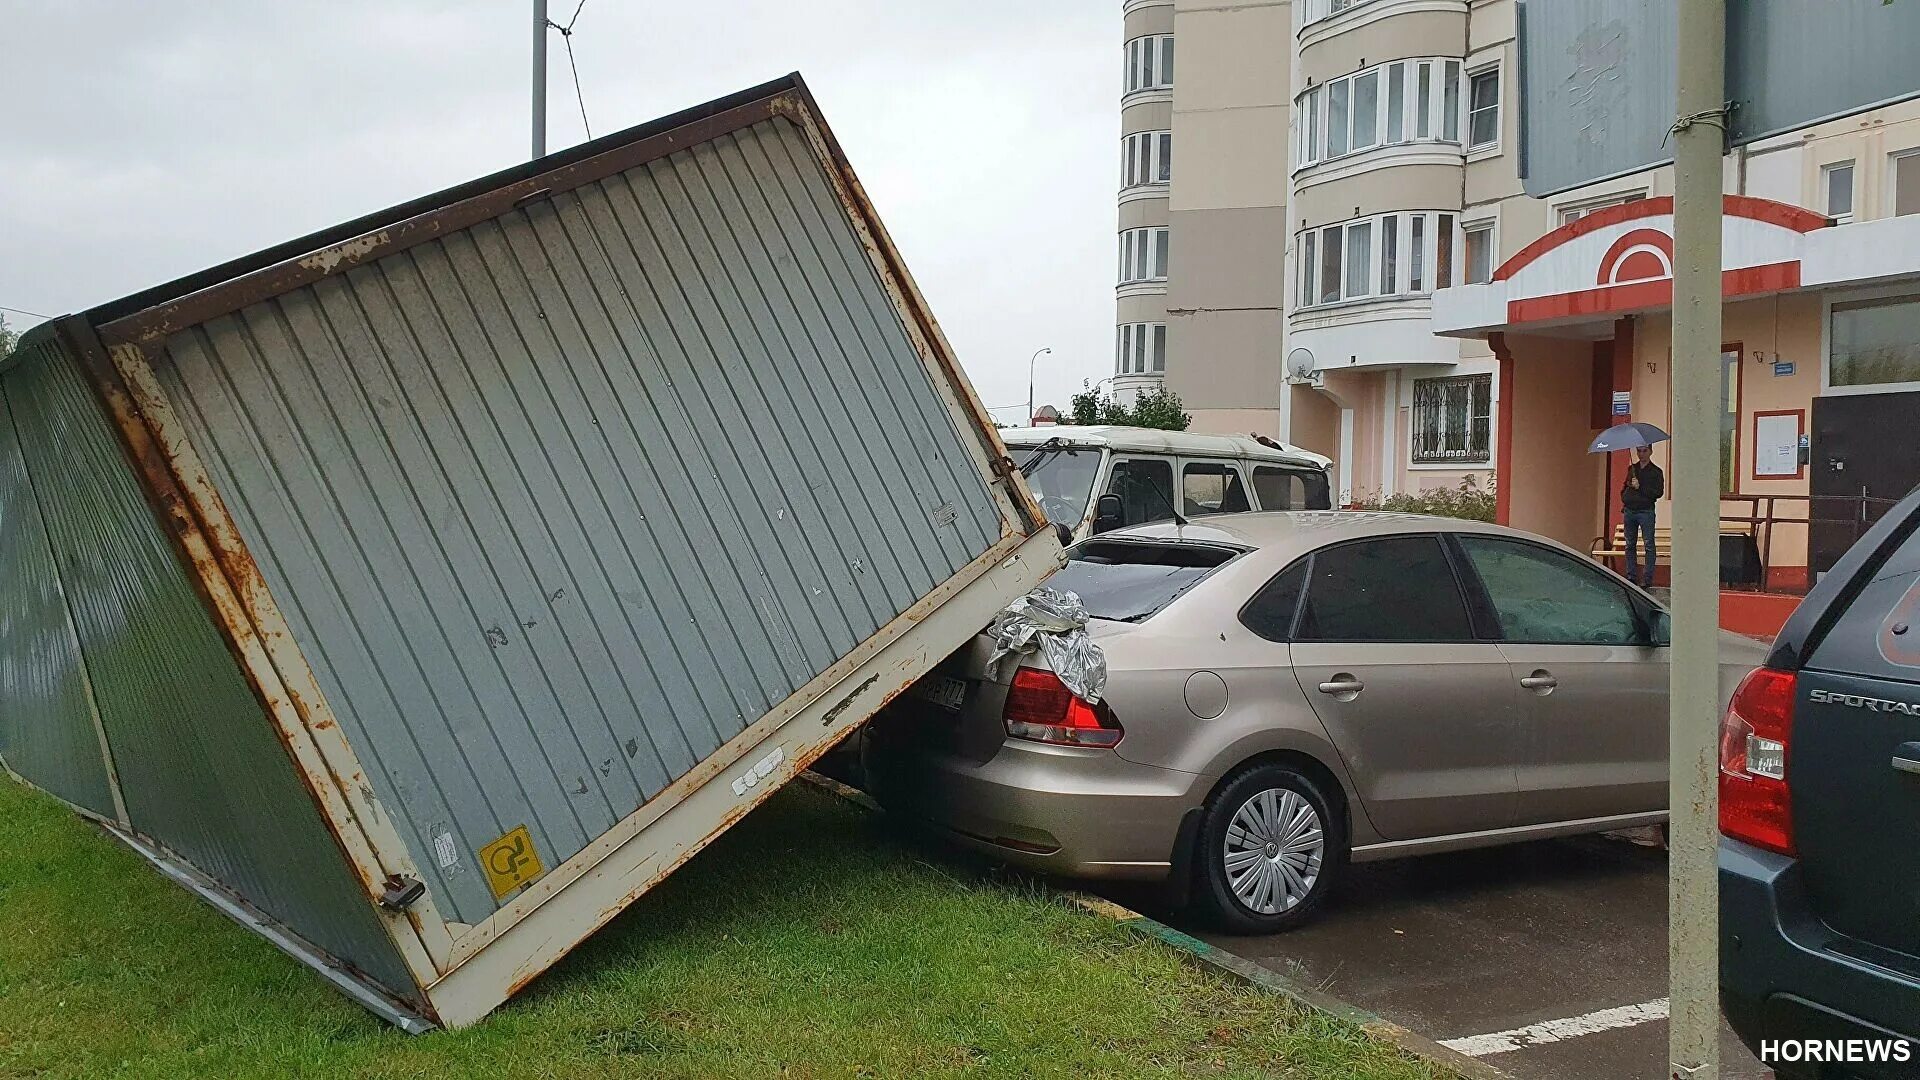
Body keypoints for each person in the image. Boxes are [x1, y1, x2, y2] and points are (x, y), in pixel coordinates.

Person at [1621, 445, 1665, 587]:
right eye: (1639, 451)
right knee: (1629, 545)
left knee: (1649, 545)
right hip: (1630, 511)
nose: (1641, 454)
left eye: (1644, 450)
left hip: (1645, 511)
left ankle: (1647, 578)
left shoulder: (1656, 472)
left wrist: (1641, 487)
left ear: (1650, 451)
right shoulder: (1632, 470)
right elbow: (1625, 487)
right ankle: (1631, 576)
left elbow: (1658, 492)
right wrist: (1625, 495)